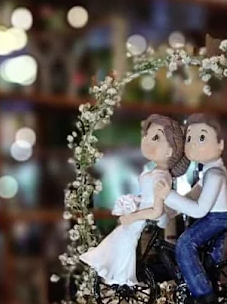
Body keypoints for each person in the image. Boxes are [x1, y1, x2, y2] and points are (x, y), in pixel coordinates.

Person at [80, 115, 189, 287]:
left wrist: (133, 216)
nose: (146, 141)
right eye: (147, 136)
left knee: (122, 236)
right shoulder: (156, 173)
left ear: (169, 151)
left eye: (156, 138)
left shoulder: (162, 177)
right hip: (145, 212)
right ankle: (116, 272)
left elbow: (156, 210)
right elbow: (149, 198)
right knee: (121, 235)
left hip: (150, 216)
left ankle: (120, 275)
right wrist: (135, 202)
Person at [154, 113, 227, 304]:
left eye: (201, 138)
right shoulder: (209, 171)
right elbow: (193, 194)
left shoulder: (215, 174)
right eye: (189, 138)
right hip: (212, 218)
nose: (193, 144)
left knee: (185, 244)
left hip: (216, 220)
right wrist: (169, 212)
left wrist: (168, 195)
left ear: (220, 144)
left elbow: (199, 209)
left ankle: (204, 295)